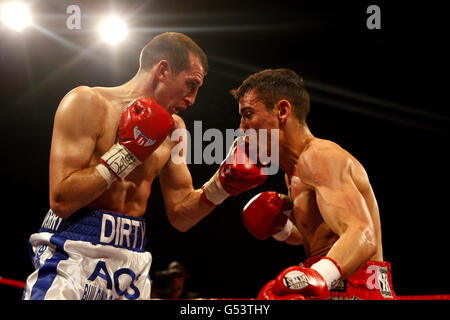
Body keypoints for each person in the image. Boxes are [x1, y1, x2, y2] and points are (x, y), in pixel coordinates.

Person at [22, 32, 266, 300]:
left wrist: (221, 185)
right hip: (73, 250)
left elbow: (180, 216)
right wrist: (128, 152)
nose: (192, 99)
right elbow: (62, 200)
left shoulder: (176, 130)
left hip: (132, 260)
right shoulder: (88, 103)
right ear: (163, 70)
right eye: (190, 85)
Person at [233, 68, 396, 300]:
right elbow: (319, 235)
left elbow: (362, 234)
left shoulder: (320, 156)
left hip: (356, 285)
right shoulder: (293, 173)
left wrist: (313, 277)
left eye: (248, 114)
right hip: (335, 278)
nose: (241, 127)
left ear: (282, 111)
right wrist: (282, 228)